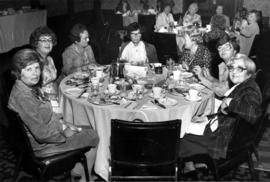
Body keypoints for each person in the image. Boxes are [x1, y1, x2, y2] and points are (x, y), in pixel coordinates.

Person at [8, 49, 99, 182]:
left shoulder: (25, 87)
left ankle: (77, 170)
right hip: (43, 146)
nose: (35, 73)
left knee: (85, 127)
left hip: (47, 134)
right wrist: (64, 133)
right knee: (93, 134)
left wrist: (65, 125)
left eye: (37, 68)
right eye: (29, 69)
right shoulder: (23, 97)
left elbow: (44, 115)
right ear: (18, 72)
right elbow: (42, 134)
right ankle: (85, 178)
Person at [180, 54, 262, 172]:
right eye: (232, 68)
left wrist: (229, 101)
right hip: (224, 129)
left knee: (182, 136)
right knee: (190, 125)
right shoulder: (242, 85)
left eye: (239, 69)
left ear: (249, 72)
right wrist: (208, 118)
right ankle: (194, 163)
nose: (234, 72)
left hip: (224, 140)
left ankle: (190, 164)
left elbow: (254, 114)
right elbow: (231, 114)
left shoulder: (249, 90)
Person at [29, 26, 58, 98]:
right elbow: (31, 90)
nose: (48, 43)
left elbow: (53, 82)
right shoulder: (33, 62)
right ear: (36, 43)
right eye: (43, 40)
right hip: (40, 100)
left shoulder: (49, 59)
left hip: (53, 95)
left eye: (50, 40)